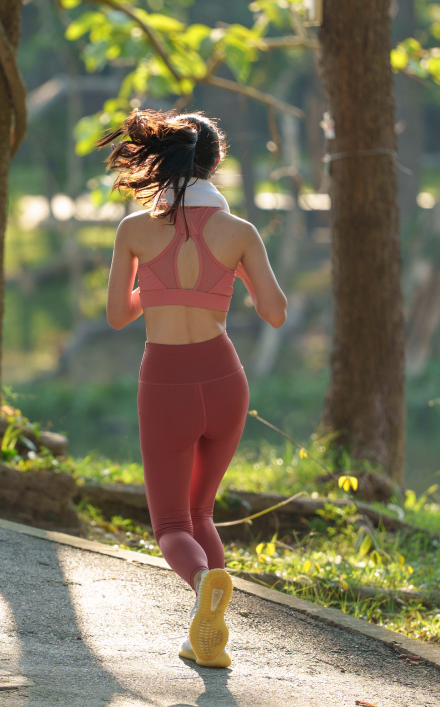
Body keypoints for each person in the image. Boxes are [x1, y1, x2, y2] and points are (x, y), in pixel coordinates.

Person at [103, 110, 287, 668]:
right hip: (224, 379)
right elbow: (275, 313)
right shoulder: (240, 232)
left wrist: (155, 289)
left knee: (171, 526)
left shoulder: (134, 230)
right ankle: (206, 639)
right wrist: (228, 275)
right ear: (213, 163)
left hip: (165, 382)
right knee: (201, 511)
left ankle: (205, 583)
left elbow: (117, 315)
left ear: (162, 159)